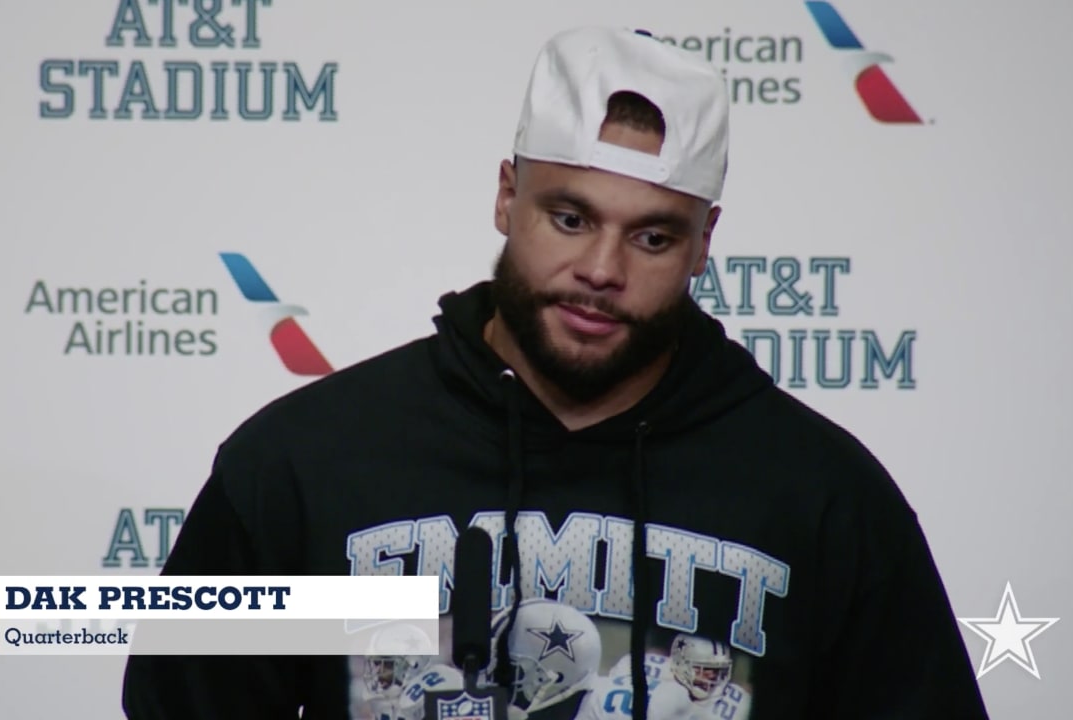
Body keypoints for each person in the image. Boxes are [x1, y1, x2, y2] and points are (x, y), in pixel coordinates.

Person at [121, 25, 990, 720]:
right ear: (507, 196)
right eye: (569, 217)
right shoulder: (306, 462)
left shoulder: (819, 496)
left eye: (653, 236)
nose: (603, 269)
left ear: (703, 244)